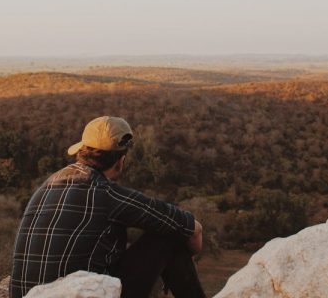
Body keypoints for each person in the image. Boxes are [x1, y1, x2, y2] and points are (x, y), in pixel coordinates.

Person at [10, 116, 205, 298]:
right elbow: (193, 230)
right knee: (169, 233)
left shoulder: (47, 186)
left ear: (81, 151)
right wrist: (184, 256)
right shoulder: (107, 193)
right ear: (121, 161)